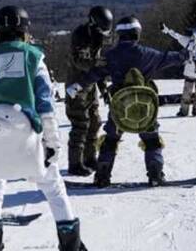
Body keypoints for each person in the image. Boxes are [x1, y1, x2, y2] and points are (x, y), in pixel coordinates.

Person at [0, 6, 86, 251]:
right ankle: (71, 246)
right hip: (28, 141)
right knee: (54, 188)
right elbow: (45, 106)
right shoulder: (34, 57)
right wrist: (52, 143)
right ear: (24, 30)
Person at [67, 16, 187, 187]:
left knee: (110, 140)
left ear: (119, 34)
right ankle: (155, 175)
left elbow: (94, 74)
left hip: (119, 109)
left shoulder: (111, 56)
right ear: (137, 33)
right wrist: (189, 54)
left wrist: (77, 86)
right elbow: (171, 58)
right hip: (145, 109)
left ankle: (102, 176)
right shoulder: (148, 54)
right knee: (152, 140)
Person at [65, 6, 113, 176]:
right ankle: (75, 163)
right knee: (81, 123)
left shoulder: (97, 37)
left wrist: (104, 89)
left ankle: (90, 158)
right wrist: (99, 64)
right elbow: (81, 62)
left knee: (94, 122)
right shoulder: (81, 35)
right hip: (76, 85)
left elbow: (96, 68)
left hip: (90, 85)